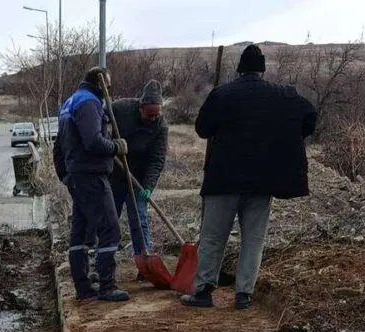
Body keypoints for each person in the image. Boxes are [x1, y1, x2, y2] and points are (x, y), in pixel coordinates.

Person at [181, 44, 318, 310]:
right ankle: (244, 294)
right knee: (253, 240)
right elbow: (310, 116)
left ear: (240, 69)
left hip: (223, 179)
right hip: (262, 181)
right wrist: (287, 137)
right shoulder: (283, 95)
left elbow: (202, 129)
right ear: (262, 70)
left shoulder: (222, 94)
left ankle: (204, 291)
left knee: (212, 237)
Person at [53, 66, 130, 302]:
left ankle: (84, 287)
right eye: (108, 86)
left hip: (78, 176)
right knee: (109, 228)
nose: (109, 90)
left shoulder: (70, 102)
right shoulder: (89, 103)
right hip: (91, 175)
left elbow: (58, 146)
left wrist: (65, 175)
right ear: (100, 83)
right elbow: (93, 142)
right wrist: (116, 147)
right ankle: (107, 286)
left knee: (81, 231)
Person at [110, 80, 168, 263]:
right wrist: (108, 142)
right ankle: (105, 258)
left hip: (139, 179)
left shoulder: (161, 126)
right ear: (140, 107)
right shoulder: (122, 108)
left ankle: (143, 259)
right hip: (115, 173)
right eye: (150, 114)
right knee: (110, 218)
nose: (153, 118)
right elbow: (100, 117)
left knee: (139, 219)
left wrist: (148, 186)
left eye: (156, 114)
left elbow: (157, 159)